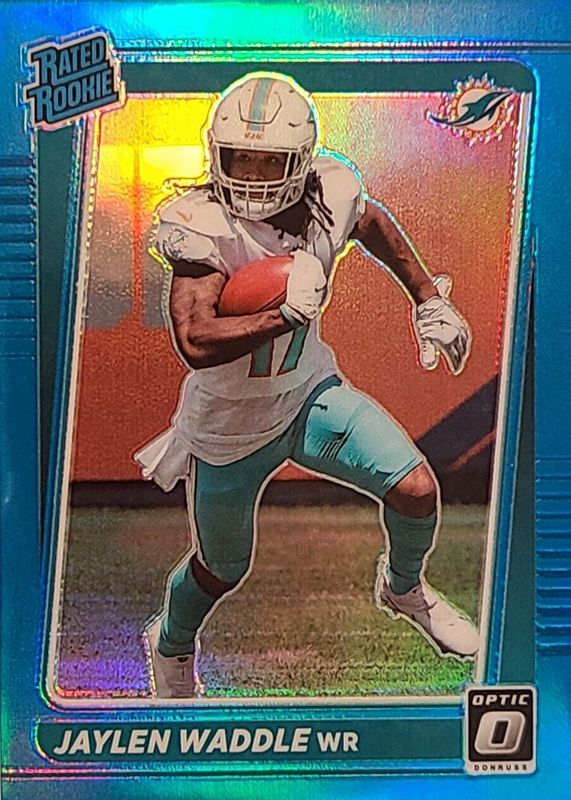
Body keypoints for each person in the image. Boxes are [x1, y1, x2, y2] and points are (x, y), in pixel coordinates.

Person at [135, 72, 478, 699]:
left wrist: (428, 298)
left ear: (299, 160)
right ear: (217, 154)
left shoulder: (329, 189)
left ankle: (403, 589)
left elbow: (370, 222)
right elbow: (195, 340)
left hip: (308, 395)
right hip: (230, 428)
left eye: (270, 161)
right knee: (221, 568)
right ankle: (172, 645)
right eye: (241, 158)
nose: (253, 174)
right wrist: (281, 315)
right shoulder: (201, 223)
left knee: (416, 489)